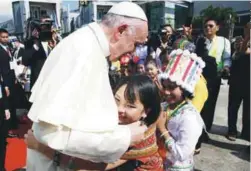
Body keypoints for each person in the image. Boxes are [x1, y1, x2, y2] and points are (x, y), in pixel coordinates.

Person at [26, 2, 149, 171]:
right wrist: (125, 137)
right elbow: (51, 134)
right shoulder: (83, 51)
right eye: (136, 43)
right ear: (121, 31)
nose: (134, 52)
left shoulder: (89, 45)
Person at [25, 75, 164, 170]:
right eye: (116, 100)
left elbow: (90, 168)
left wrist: (41, 147)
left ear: (146, 111)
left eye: (130, 106)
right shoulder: (121, 123)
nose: (119, 109)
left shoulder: (138, 136)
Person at [157, 49, 205, 171]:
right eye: (165, 86)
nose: (166, 92)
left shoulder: (189, 117)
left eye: (172, 87)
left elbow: (181, 154)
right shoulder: (165, 106)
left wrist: (162, 129)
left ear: (184, 89)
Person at [196, 17, 231, 133]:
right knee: (199, 102)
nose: (207, 28)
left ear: (217, 27)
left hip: (214, 77)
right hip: (199, 77)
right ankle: (196, 128)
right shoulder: (200, 41)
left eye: (211, 26)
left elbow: (226, 58)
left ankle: (206, 129)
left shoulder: (224, 41)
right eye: (206, 26)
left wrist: (226, 67)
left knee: (210, 103)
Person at [226, 22, 250, 142]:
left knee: (248, 109)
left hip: (249, 82)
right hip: (237, 81)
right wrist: (247, 38)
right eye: (248, 27)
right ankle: (232, 130)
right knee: (233, 107)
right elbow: (242, 51)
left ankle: (246, 132)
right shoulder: (238, 40)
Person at [0, 28, 18, 137]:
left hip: (11, 79)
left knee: (12, 103)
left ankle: (12, 125)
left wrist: (14, 77)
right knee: (6, 105)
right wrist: (5, 85)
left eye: (7, 37)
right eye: (3, 37)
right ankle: (7, 129)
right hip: (4, 82)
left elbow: (11, 64)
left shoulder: (9, 48)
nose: (5, 39)